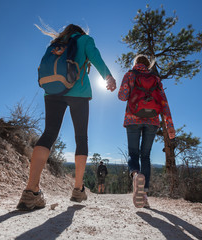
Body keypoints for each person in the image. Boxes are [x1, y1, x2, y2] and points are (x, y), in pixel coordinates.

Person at [17, 23, 116, 210]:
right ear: (81, 31)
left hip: (53, 92)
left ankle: (31, 190)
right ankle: (78, 189)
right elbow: (95, 58)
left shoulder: (56, 43)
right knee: (81, 137)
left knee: (48, 134)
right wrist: (108, 77)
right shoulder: (85, 39)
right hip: (78, 92)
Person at [118, 54, 175, 208]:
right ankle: (144, 195)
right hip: (152, 121)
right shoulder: (156, 79)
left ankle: (136, 176)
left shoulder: (130, 74)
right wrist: (169, 126)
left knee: (133, 154)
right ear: (148, 65)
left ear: (135, 63)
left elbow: (122, 96)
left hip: (132, 118)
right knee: (146, 156)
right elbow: (164, 103)